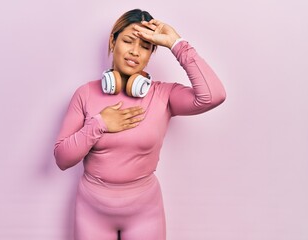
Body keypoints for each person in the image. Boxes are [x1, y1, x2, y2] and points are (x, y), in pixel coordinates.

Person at [54, 8, 226, 240]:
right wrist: (99, 124)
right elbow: (62, 159)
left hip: (145, 213)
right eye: (127, 41)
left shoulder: (164, 95)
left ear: (151, 54)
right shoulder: (85, 94)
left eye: (145, 47)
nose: (135, 52)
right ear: (113, 42)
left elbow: (213, 96)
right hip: (91, 211)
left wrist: (176, 43)